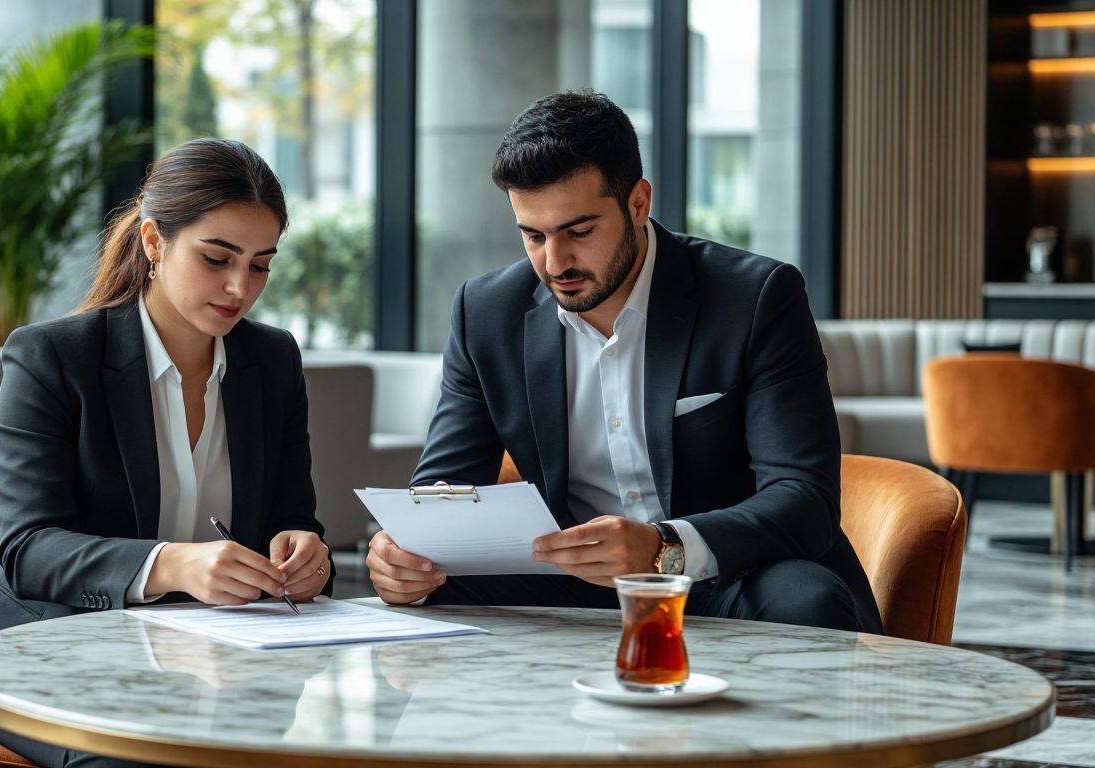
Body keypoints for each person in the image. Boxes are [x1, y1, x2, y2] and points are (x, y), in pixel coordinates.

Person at [366, 91, 881, 634]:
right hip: (575, 576)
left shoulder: (755, 298)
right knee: (435, 588)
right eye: (532, 235)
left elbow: (803, 500)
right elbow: (443, 487)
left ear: (638, 202)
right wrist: (404, 556)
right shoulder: (486, 312)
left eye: (579, 231)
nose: (554, 262)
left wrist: (664, 546)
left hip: (730, 574)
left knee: (805, 600)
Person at [0, 138, 333, 767]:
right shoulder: (54, 358)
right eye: (216, 257)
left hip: (214, 657)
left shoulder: (272, 360)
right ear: (153, 242)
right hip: (48, 647)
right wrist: (171, 565)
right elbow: (29, 549)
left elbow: (294, 517)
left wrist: (306, 553)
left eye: (260, 265)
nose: (239, 287)